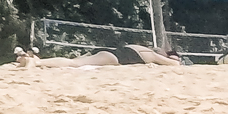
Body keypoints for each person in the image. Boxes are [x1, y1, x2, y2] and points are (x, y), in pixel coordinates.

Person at [15, 45, 182, 68]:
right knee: (74, 64)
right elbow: (175, 65)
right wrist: (173, 59)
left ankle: (37, 60)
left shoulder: (143, 48)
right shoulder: (152, 55)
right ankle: (36, 63)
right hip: (113, 58)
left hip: (110, 52)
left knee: (76, 62)